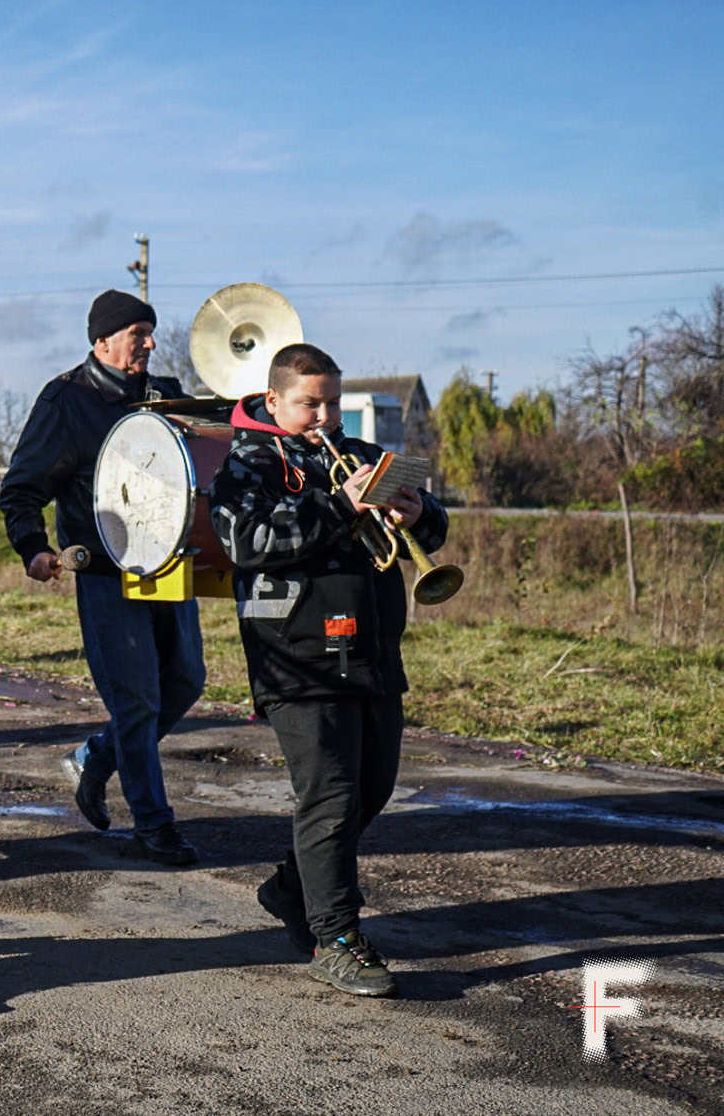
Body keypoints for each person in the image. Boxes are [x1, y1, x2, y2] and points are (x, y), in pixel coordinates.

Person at [209, 342, 449, 998]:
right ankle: (336, 936)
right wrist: (339, 505)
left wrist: (421, 513)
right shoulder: (246, 466)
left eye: (332, 401)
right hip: (295, 654)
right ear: (274, 398)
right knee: (331, 796)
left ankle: (292, 889)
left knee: (373, 788)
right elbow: (246, 542)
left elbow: (432, 532)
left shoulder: (370, 459)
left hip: (372, 650)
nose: (324, 414)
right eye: (309, 402)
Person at [0, 290, 206, 866]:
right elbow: (21, 487)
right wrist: (32, 546)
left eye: (151, 332)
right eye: (138, 332)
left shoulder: (164, 395)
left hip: (169, 564)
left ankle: (96, 757)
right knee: (137, 698)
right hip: (106, 569)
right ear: (102, 340)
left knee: (186, 681)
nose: (149, 343)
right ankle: (153, 824)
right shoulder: (66, 399)